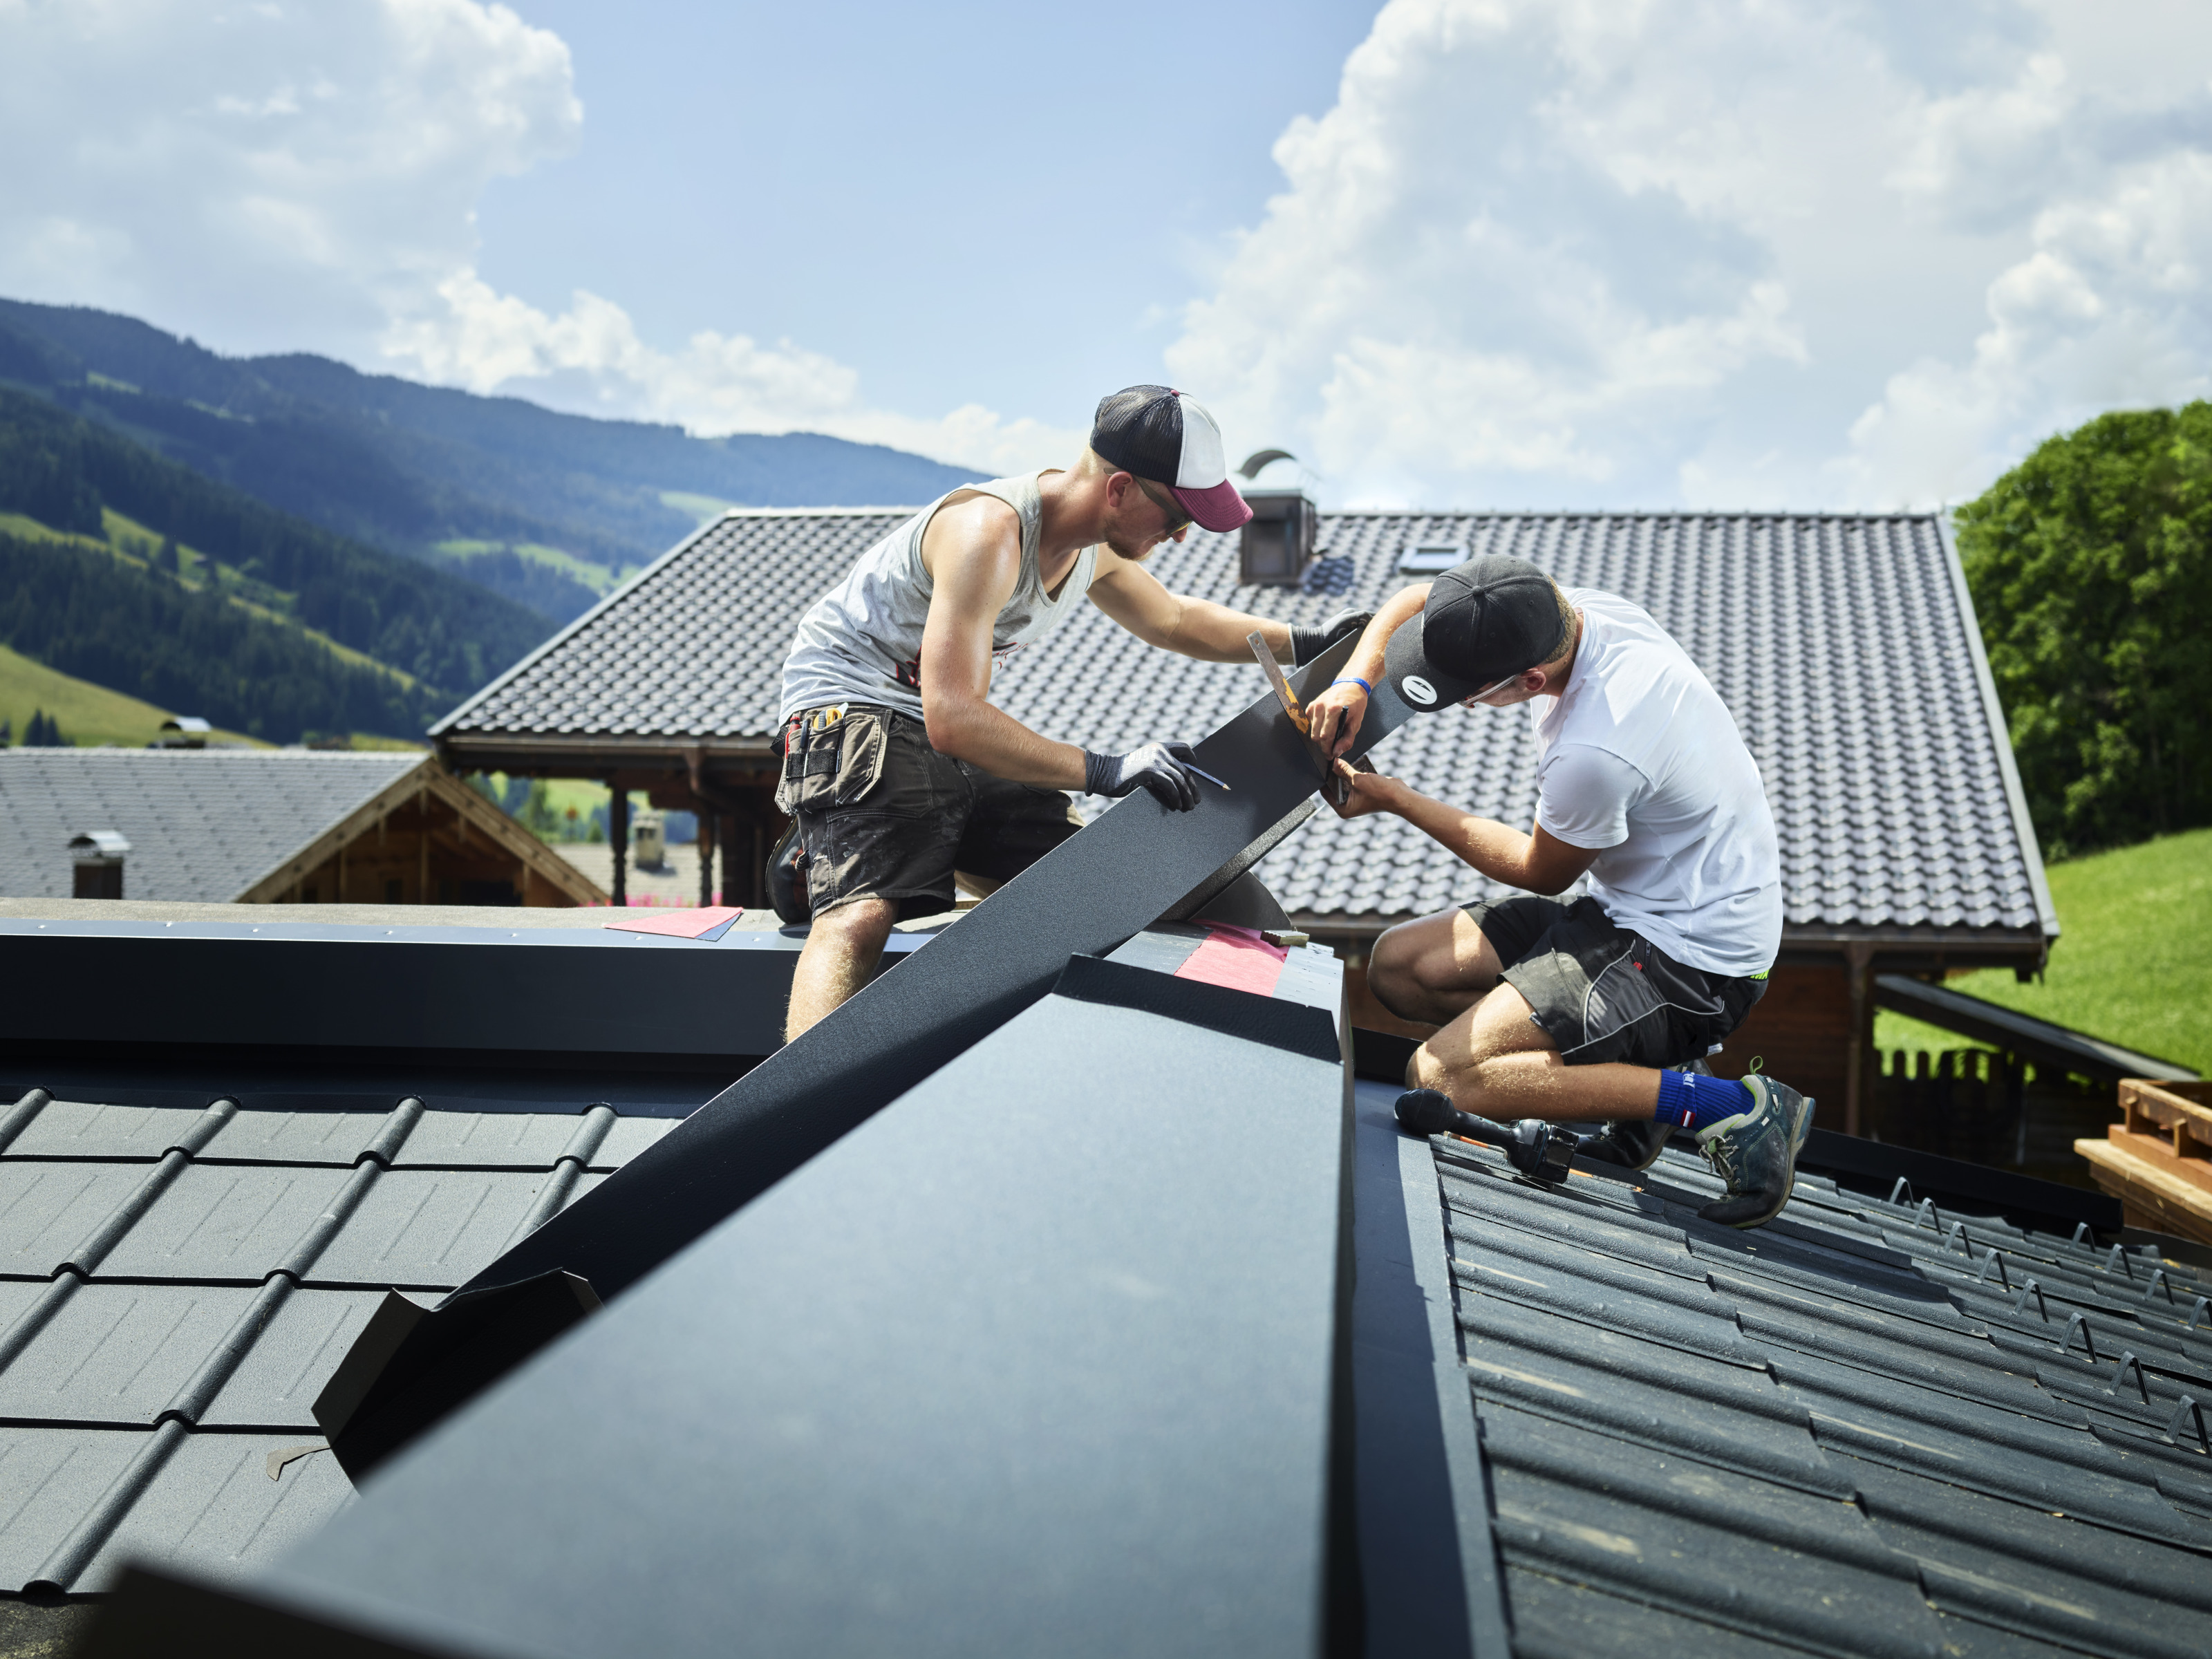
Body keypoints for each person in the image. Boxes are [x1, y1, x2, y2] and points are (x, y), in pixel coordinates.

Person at [773, 385, 1369, 1041]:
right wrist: (1107, 768)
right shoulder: (987, 534)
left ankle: (823, 846)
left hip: (941, 726)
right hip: (852, 710)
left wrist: (1308, 641)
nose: (1178, 536)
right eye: (1175, 516)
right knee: (861, 915)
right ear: (1118, 489)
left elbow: (1175, 619)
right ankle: (789, 1124)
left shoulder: (1097, 549)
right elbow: (954, 718)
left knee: (1088, 883)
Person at [1302, 554, 1813, 1228]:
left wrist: (1394, 799)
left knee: (1441, 1078)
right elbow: (1413, 598)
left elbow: (1538, 869)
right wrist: (1353, 682)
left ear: (1529, 680)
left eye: (1473, 695)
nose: (1468, 706)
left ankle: (1734, 1108)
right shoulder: (1558, 611)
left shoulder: (1596, 751)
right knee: (1402, 966)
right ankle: (1628, 1089)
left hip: (1690, 959)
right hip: (1626, 910)